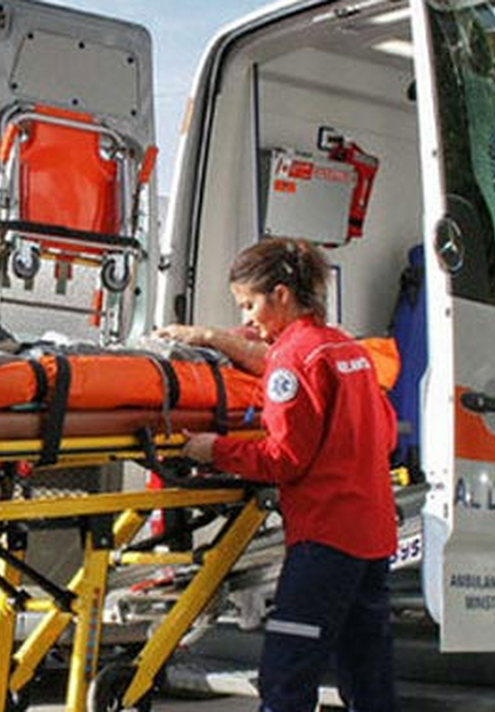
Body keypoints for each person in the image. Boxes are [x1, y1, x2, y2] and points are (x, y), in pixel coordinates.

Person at [162, 237, 398, 712]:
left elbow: (282, 458)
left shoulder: (294, 361)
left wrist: (213, 450)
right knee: (367, 673)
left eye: (249, 305)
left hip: (326, 538)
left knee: (286, 675)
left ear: (281, 295)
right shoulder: (344, 348)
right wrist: (210, 338)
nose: (246, 318)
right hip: (372, 535)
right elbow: (387, 433)